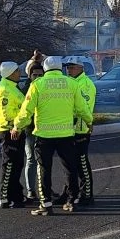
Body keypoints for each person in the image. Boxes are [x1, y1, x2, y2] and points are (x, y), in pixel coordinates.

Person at [12, 56, 92, 216]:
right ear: (60, 68)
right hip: (66, 134)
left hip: (44, 136)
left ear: (45, 69)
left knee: (43, 169)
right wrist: (89, 121)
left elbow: (26, 110)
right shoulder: (72, 84)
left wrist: (17, 126)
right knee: (70, 168)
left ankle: (46, 204)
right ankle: (71, 201)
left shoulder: (37, 84)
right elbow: (82, 108)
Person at [63, 55, 97, 206]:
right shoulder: (70, 82)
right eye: (67, 68)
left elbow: (83, 108)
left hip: (81, 129)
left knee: (82, 163)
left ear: (81, 68)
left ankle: (87, 194)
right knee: (70, 165)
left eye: (72, 67)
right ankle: (68, 192)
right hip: (68, 129)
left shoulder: (86, 84)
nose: (69, 70)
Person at [0, 61, 27, 208]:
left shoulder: (12, 87)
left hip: (17, 130)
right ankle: (5, 197)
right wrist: (15, 125)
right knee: (9, 165)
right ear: (10, 73)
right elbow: (7, 114)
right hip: (9, 131)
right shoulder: (5, 90)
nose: (19, 73)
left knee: (17, 165)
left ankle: (16, 195)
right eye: (17, 71)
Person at [19, 57, 46, 205]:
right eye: (34, 75)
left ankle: (45, 190)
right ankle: (31, 190)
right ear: (29, 75)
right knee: (31, 160)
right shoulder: (25, 89)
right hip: (30, 129)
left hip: (44, 129)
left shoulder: (45, 87)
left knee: (43, 161)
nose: (37, 77)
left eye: (40, 75)